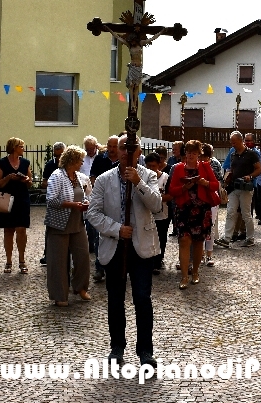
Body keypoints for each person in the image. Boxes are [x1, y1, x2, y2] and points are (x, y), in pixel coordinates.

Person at [85, 134, 163, 368]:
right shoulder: (103, 180)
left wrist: (138, 182)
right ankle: (117, 346)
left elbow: (157, 206)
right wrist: (117, 229)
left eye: (131, 148)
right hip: (114, 246)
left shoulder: (148, 175)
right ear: (116, 151)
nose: (126, 152)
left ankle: (145, 351)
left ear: (139, 151)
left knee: (142, 298)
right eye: (122, 148)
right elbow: (93, 213)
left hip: (141, 248)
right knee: (115, 300)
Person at [43, 145, 91, 307]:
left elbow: (83, 195)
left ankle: (80, 287)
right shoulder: (57, 176)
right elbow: (51, 200)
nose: (82, 163)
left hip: (77, 222)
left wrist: (84, 203)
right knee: (58, 261)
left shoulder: (78, 176)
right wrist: (73, 205)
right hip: (59, 224)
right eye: (80, 160)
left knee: (83, 256)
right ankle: (59, 294)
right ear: (72, 160)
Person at [169, 140, 219, 289]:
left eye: (194, 153)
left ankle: (195, 272)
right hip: (184, 208)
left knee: (198, 241)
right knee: (184, 240)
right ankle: (184, 275)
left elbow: (215, 184)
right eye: (188, 152)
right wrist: (184, 187)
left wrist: (204, 183)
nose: (191, 155)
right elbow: (172, 190)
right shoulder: (178, 168)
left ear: (199, 154)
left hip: (201, 209)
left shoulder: (205, 166)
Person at [215, 131, 261, 249]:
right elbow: (231, 168)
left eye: (234, 142)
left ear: (241, 141)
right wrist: (228, 175)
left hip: (245, 187)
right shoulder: (233, 154)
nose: (232, 144)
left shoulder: (251, 154)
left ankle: (250, 238)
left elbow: (259, 169)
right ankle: (227, 238)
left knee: (246, 213)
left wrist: (250, 176)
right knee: (231, 212)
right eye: (231, 142)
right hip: (234, 187)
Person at [0, 137, 33, 273]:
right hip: (6, 199)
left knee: (21, 230)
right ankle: (9, 261)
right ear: (14, 147)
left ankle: (22, 260)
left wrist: (26, 180)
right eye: (21, 146)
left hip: (22, 199)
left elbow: (30, 183)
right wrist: (9, 177)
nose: (23, 149)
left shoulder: (25, 163)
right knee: (8, 230)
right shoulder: (1, 163)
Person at [88, 135, 121, 282]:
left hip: (118, 202)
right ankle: (100, 267)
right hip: (102, 199)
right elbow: (93, 177)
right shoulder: (100, 159)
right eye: (110, 146)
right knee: (99, 235)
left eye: (115, 146)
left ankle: (119, 266)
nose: (112, 149)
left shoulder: (123, 160)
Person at [144, 152, 171, 275]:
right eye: (148, 166)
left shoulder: (165, 178)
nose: (150, 169)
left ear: (159, 165)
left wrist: (157, 199)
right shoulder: (142, 178)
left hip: (161, 213)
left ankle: (158, 260)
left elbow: (170, 196)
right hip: (146, 213)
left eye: (153, 166)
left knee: (161, 237)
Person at [39, 141, 66, 266]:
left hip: (66, 200)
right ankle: (48, 253)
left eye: (61, 154)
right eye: (56, 155)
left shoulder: (69, 165)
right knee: (50, 228)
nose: (59, 158)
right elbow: (44, 182)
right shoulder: (50, 165)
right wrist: (54, 183)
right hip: (54, 200)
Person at [200, 143, 223, 266]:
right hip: (199, 197)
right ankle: (201, 253)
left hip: (211, 197)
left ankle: (209, 254)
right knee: (199, 227)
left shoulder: (213, 164)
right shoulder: (196, 164)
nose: (202, 159)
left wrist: (206, 183)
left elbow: (218, 181)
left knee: (210, 226)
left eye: (204, 156)